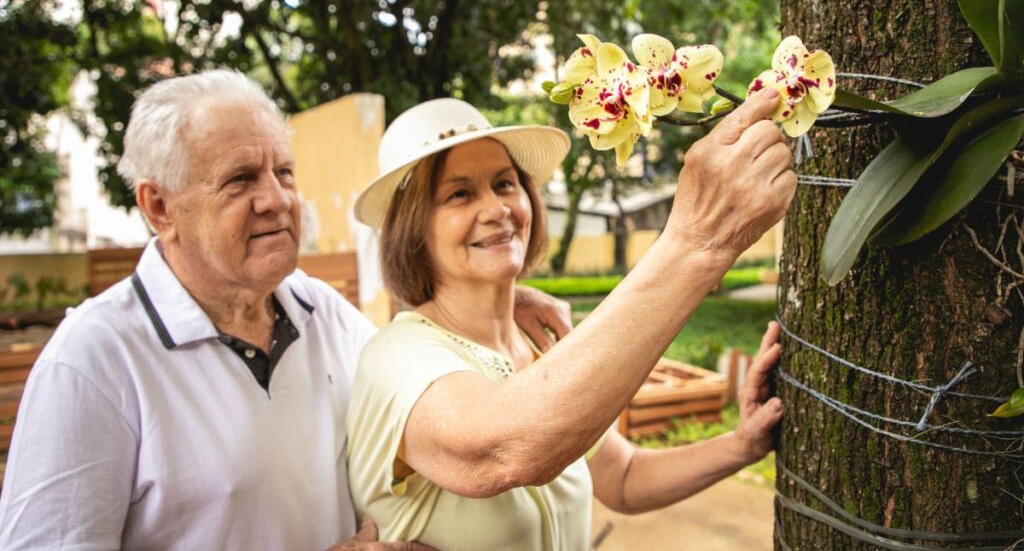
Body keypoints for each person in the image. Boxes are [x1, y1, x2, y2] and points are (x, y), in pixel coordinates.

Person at [0, 70, 572, 550]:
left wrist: (495, 297)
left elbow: (420, 361)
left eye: (284, 172)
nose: (276, 199)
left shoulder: (324, 314)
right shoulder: (92, 363)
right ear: (160, 207)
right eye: (240, 180)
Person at [346, 93, 795, 549]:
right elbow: (503, 449)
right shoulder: (395, 358)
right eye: (458, 194)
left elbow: (621, 476)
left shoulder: (538, 344)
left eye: (504, 184)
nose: (497, 209)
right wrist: (696, 242)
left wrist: (743, 444)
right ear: (412, 230)